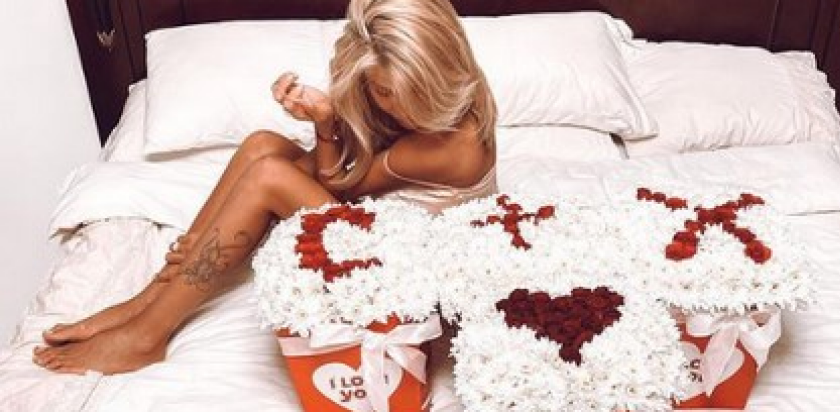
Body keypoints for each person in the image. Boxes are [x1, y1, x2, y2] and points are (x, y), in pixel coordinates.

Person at [33, 0, 497, 375]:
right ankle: (156, 293)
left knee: (269, 176)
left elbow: (339, 184)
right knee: (262, 145)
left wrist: (326, 122)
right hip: (389, 217)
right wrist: (326, 115)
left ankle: (146, 335)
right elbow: (349, 166)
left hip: (412, 260)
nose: (389, 104)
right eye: (381, 91)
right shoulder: (456, 89)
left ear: (433, 74)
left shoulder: (451, 147)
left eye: (395, 93)